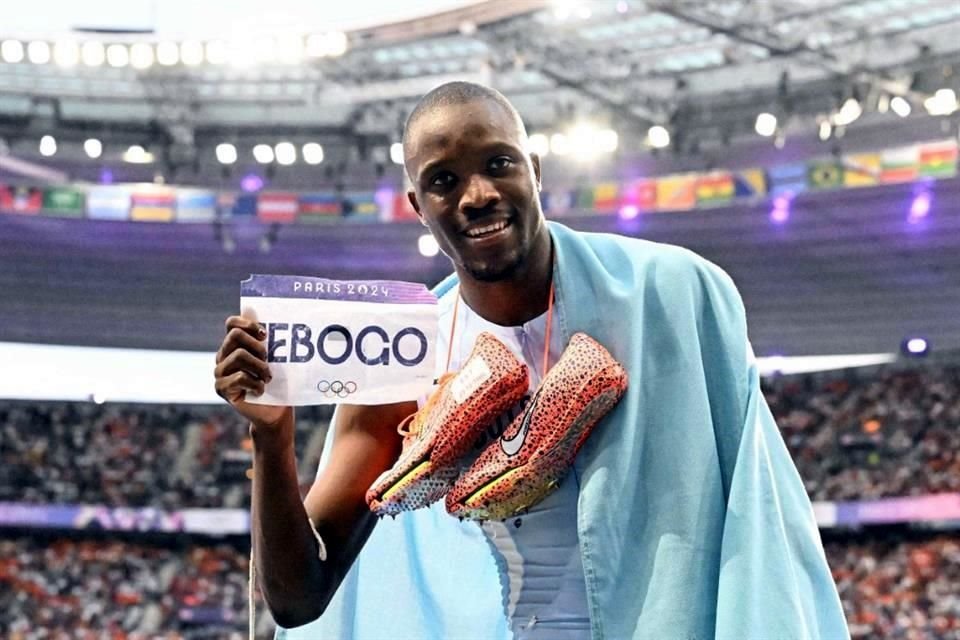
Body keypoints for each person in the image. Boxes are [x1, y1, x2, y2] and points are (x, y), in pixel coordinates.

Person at [214, 81, 849, 639]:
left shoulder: (674, 293)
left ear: (535, 170)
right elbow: (300, 599)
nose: (478, 194)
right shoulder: (404, 354)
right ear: (417, 205)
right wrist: (272, 439)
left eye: (499, 163)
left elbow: (757, 519)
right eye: (443, 180)